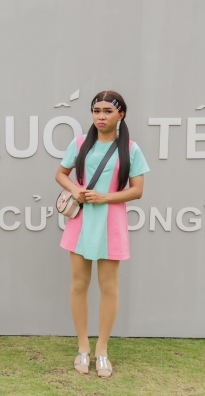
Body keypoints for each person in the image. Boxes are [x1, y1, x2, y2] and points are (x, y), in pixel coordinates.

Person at [55, 90, 150, 378]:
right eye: (97, 110)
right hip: (81, 222)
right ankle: (83, 346)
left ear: (121, 114)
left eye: (108, 111)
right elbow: (60, 174)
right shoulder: (79, 143)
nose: (101, 116)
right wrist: (76, 190)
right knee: (78, 284)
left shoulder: (131, 149)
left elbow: (137, 190)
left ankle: (102, 350)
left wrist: (104, 197)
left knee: (109, 287)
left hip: (112, 223)